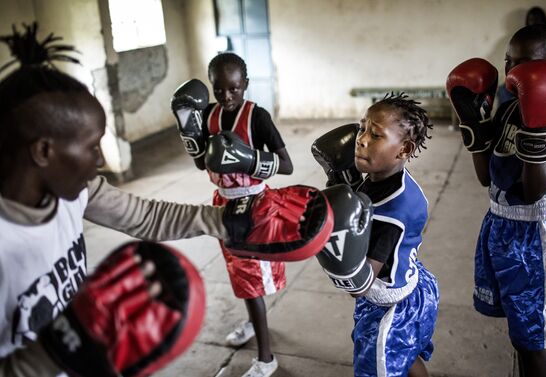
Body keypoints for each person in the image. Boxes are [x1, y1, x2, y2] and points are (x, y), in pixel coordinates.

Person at [0, 24, 332, 376]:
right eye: (90, 146)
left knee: (252, 283)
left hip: (242, 198)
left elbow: (146, 216)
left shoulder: (77, 192)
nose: (99, 160)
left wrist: (230, 219)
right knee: (246, 285)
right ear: (44, 151)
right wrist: (51, 355)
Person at [446, 24, 546, 377]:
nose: (511, 73)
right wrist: (472, 122)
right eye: (509, 62)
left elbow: (535, 190)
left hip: (533, 234)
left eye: (523, 65)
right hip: (497, 223)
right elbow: (484, 177)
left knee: (531, 337)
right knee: (515, 329)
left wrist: (538, 135)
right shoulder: (508, 108)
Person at [173, 52, 292, 377]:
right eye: (220, 89)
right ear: (212, 87)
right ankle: (253, 324)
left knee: (251, 280)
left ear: (246, 85)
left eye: (235, 89)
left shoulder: (258, 117)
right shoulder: (209, 114)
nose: (227, 96)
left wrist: (248, 159)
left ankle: (267, 359)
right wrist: (188, 127)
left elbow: (287, 165)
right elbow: (203, 163)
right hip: (222, 203)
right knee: (240, 277)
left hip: (253, 204)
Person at [312, 94, 439, 377]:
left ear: (404, 148)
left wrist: (329, 239)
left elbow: (360, 284)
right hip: (415, 284)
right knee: (406, 356)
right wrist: (344, 183)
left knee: (377, 368)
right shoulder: (389, 178)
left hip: (390, 308)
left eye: (376, 134)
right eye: (362, 128)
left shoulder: (391, 215)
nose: (361, 139)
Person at [497, 6, 546, 104]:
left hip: (542, 80)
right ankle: (508, 116)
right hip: (522, 78)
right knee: (503, 90)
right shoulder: (521, 39)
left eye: (538, 19)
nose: (534, 22)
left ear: (544, 21)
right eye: (531, 19)